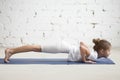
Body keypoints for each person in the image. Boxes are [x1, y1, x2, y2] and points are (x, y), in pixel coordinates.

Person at [4, 38, 111, 64]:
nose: (110, 53)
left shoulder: (93, 53)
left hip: (63, 46)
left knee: (36, 48)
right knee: (35, 48)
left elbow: (82, 43)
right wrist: (84, 60)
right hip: (62, 47)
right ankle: (11, 51)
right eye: (109, 51)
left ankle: (12, 51)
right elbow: (82, 47)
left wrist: (82, 54)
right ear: (102, 50)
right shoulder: (94, 56)